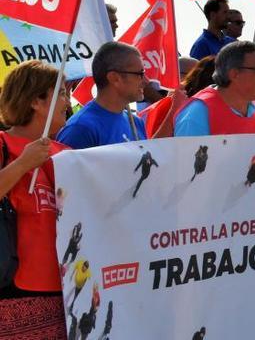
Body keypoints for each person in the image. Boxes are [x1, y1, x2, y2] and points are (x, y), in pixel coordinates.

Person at [0, 61, 70, 337]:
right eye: (61, 93)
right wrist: (22, 164)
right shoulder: (4, 145)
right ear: (36, 102)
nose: (68, 100)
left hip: (64, 290)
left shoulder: (67, 153)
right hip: (13, 290)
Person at [57, 42, 148, 148]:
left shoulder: (136, 123)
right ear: (115, 78)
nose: (146, 81)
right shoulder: (80, 129)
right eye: (140, 74)